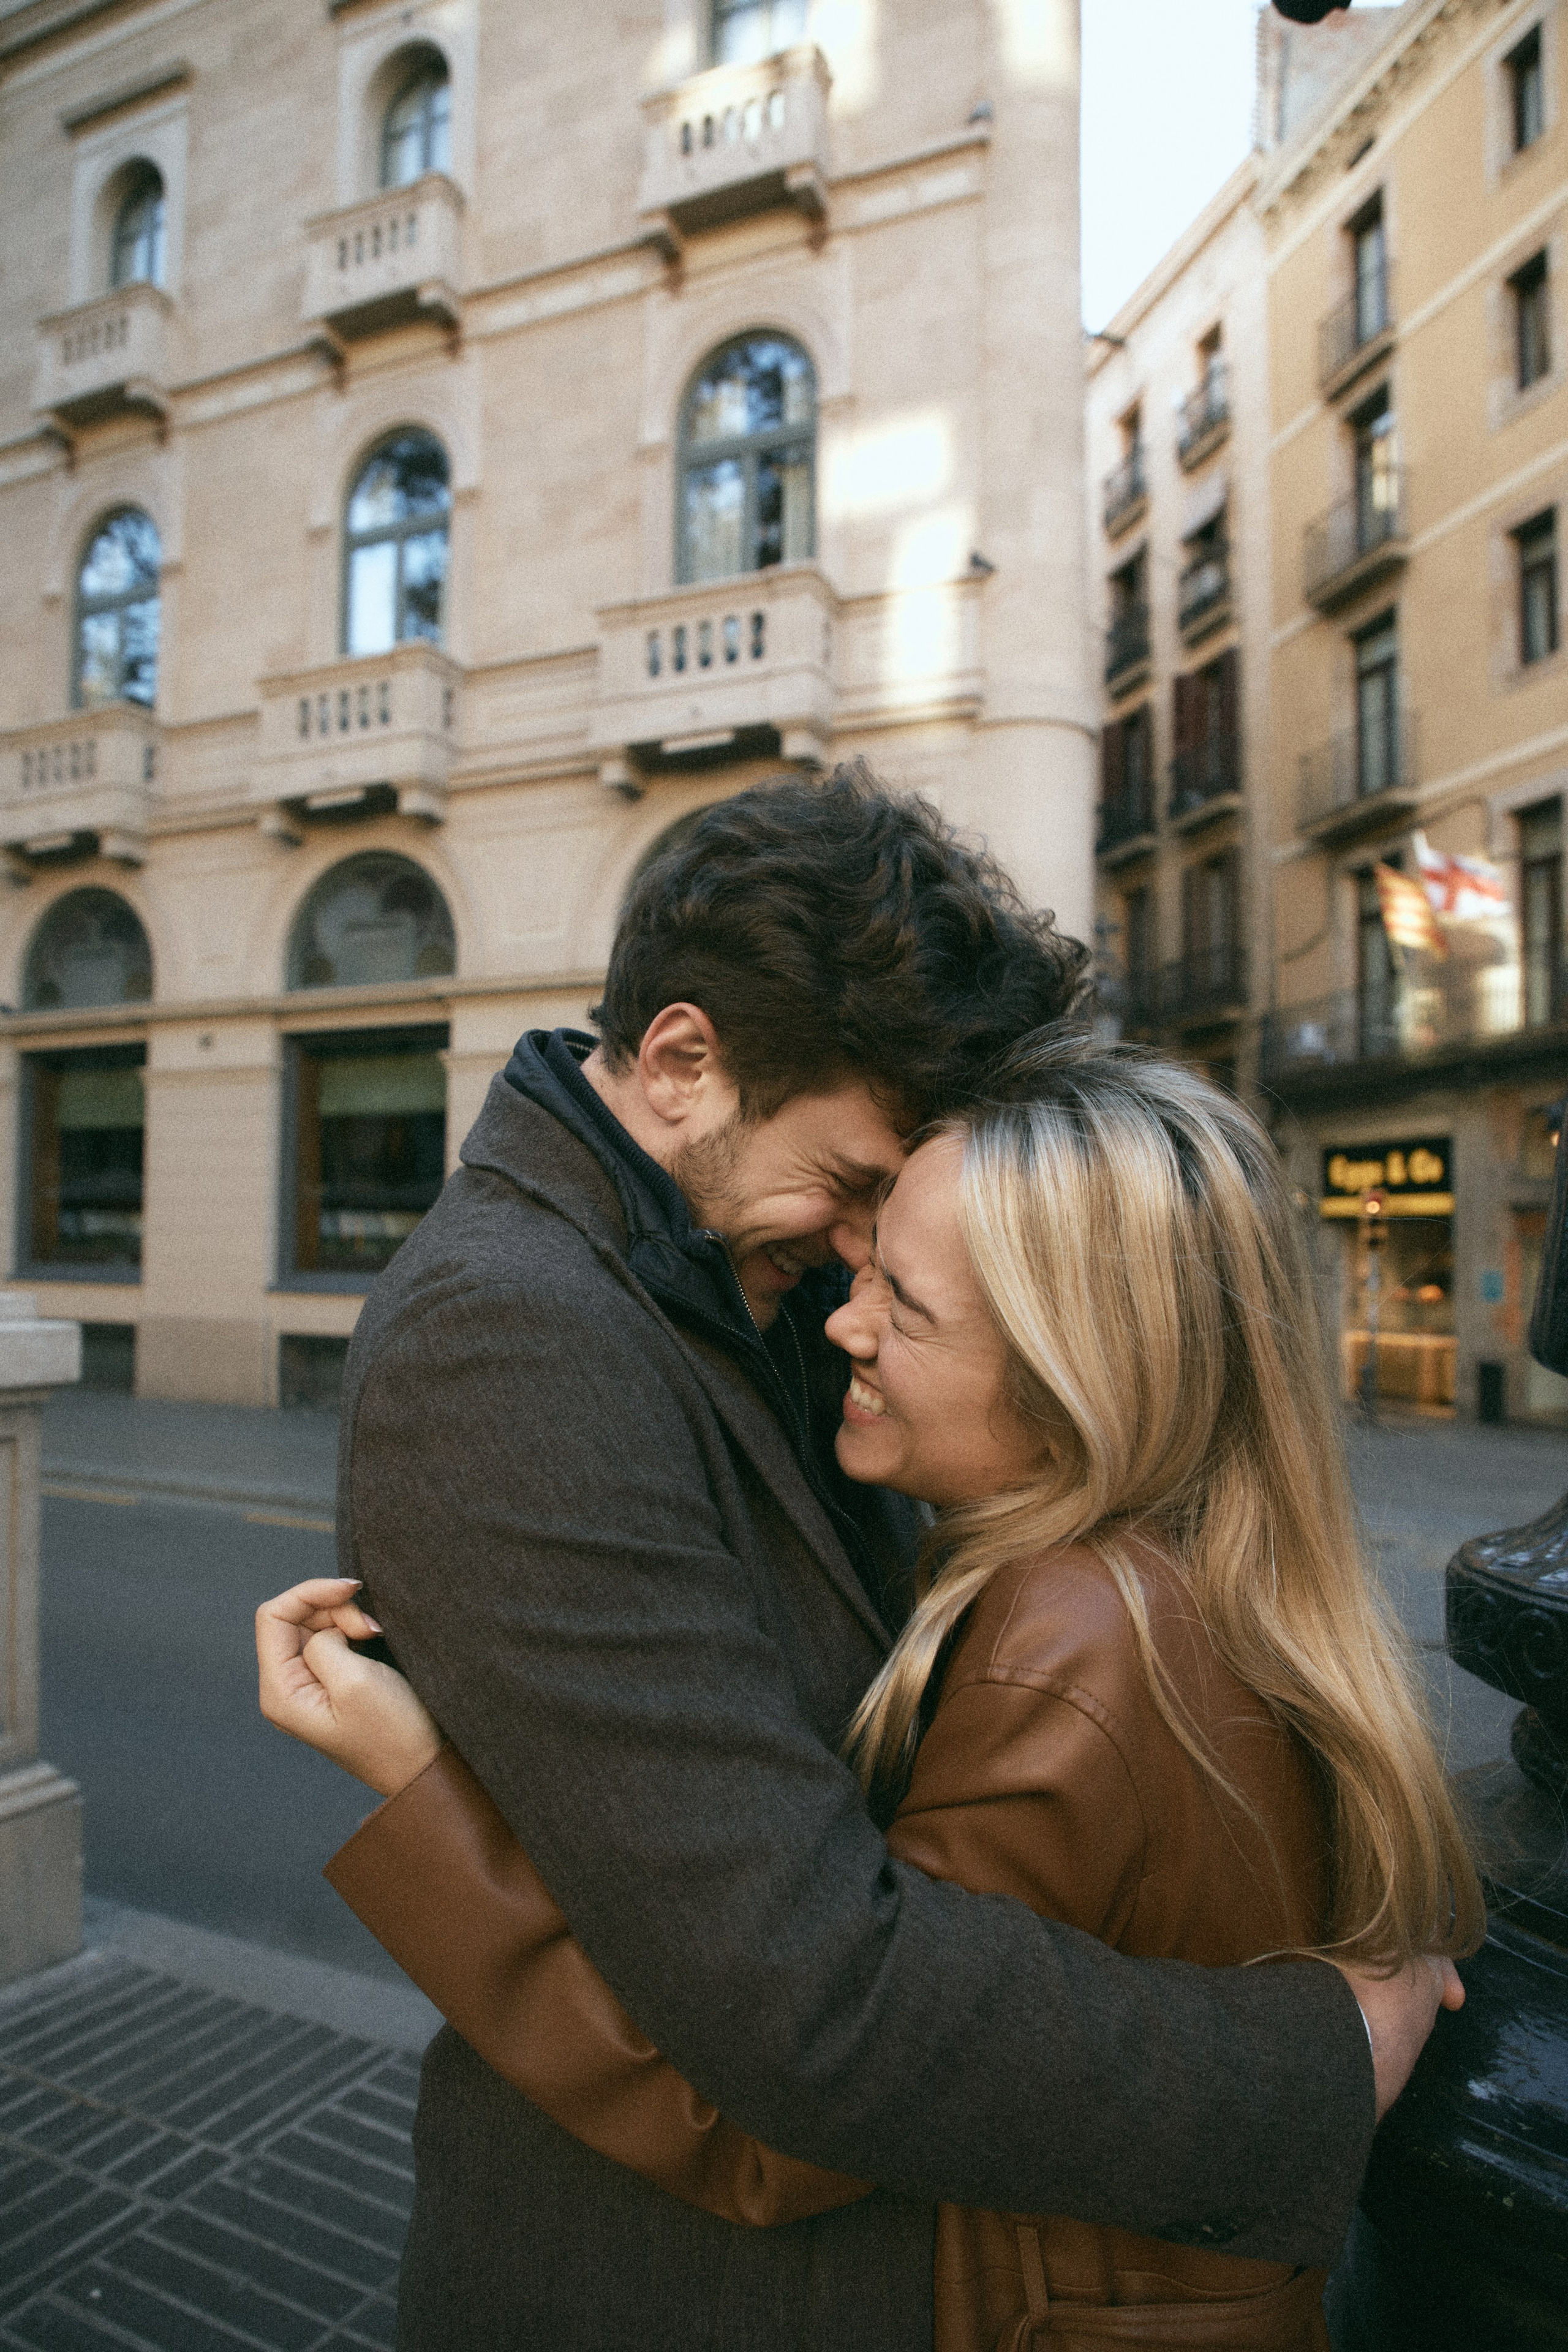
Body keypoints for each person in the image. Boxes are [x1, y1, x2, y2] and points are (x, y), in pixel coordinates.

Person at [260, 778, 1458, 2352]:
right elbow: (809, 2001)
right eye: (848, 1192)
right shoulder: (515, 1336)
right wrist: (1306, 2064)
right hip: (666, 2287)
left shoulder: (722, 1266)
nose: (851, 1268)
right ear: (683, 1062)